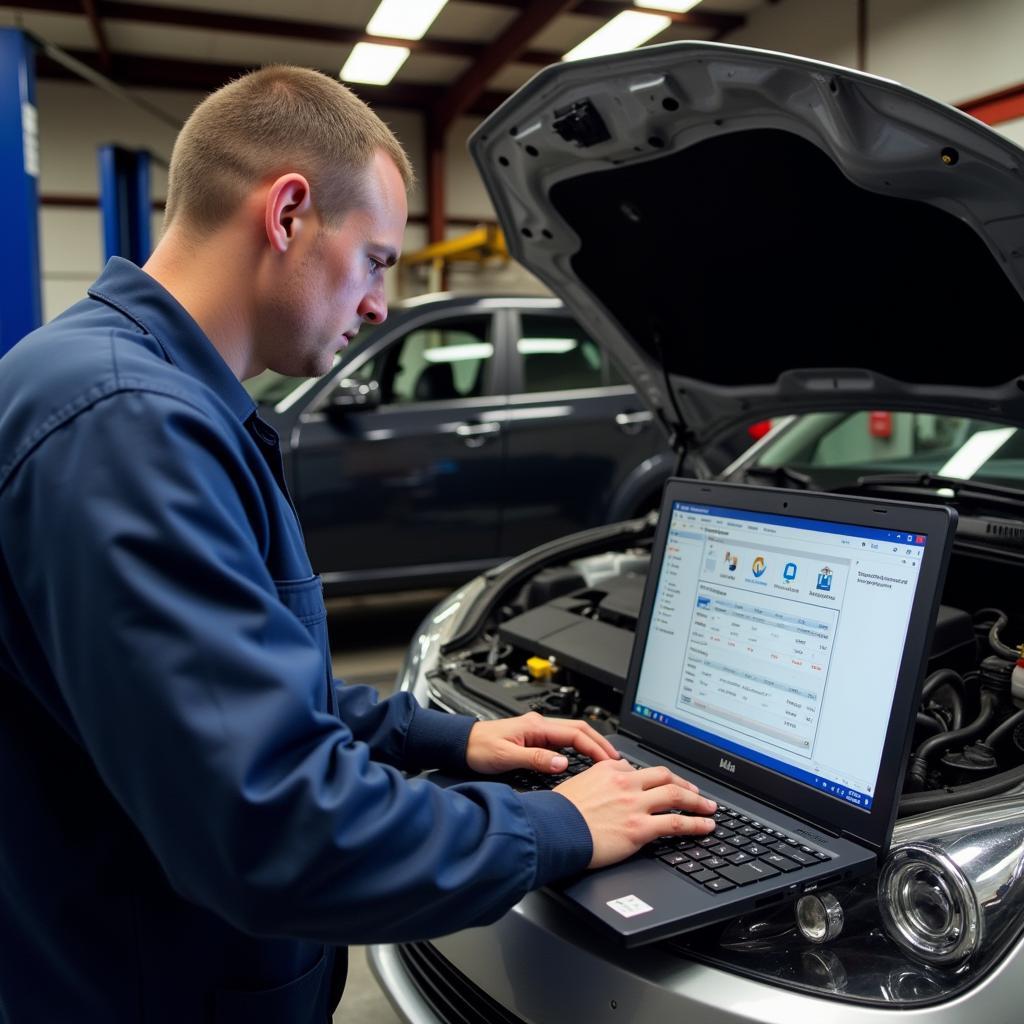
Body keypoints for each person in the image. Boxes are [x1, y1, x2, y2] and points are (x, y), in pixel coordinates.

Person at [0, 66, 715, 1022]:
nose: (380, 304)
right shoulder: (128, 426)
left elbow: (239, 686)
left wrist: (451, 738)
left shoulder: (119, 388)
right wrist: (559, 825)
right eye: (377, 260)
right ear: (288, 212)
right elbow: (274, 829)